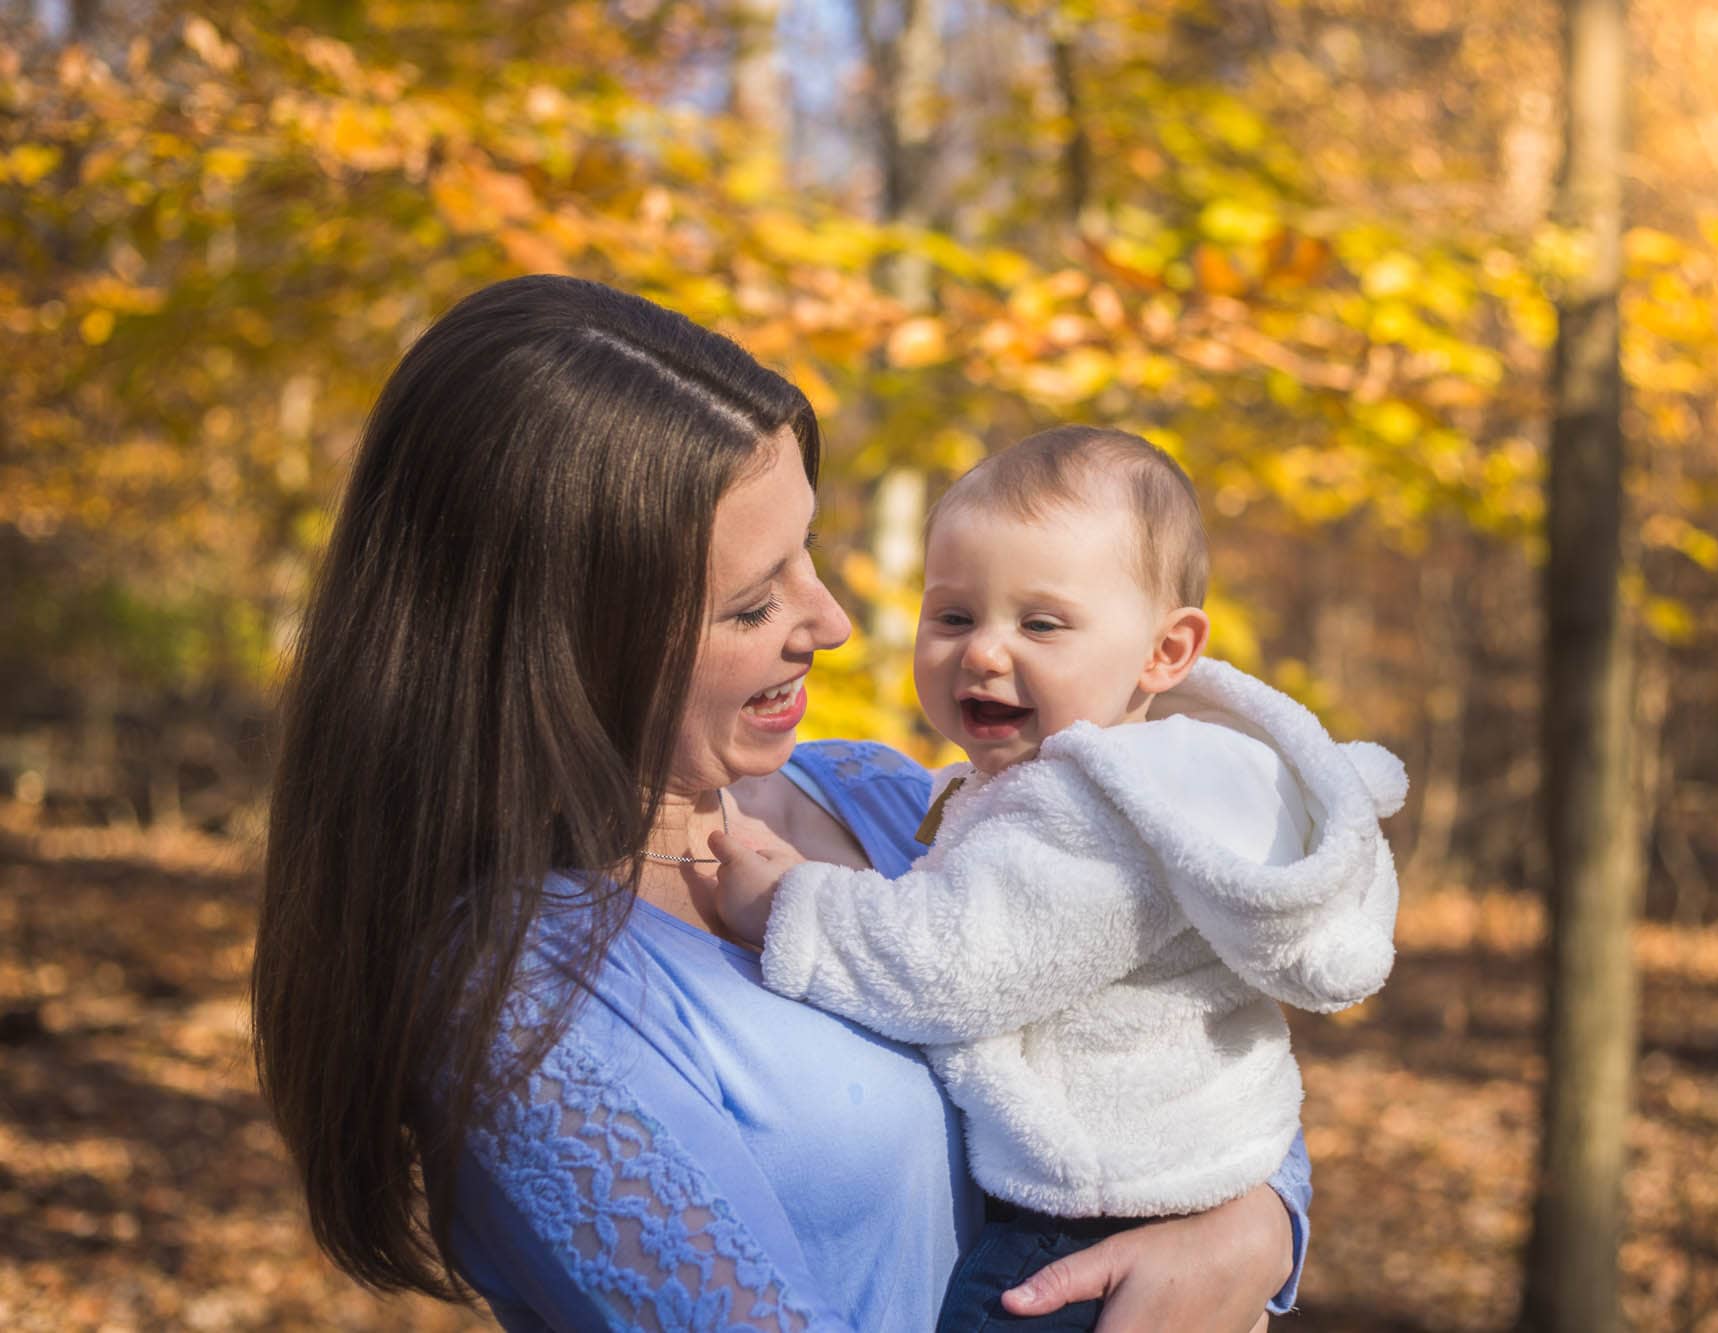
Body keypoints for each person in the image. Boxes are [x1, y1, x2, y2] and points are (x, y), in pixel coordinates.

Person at [250, 275, 1315, 1332]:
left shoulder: (895, 796)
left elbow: (1177, 1021)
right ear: (562, 643)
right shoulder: (524, 1006)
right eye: (754, 602)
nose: (833, 620)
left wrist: (1253, 1233)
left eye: (807, 553)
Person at [709, 427, 1405, 1331]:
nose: (986, 653)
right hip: (1147, 1189)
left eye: (1040, 623)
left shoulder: (1100, 812)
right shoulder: (1027, 786)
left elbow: (957, 964)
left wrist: (792, 905)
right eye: (954, 617)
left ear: (1165, 652)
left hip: (1085, 1225)